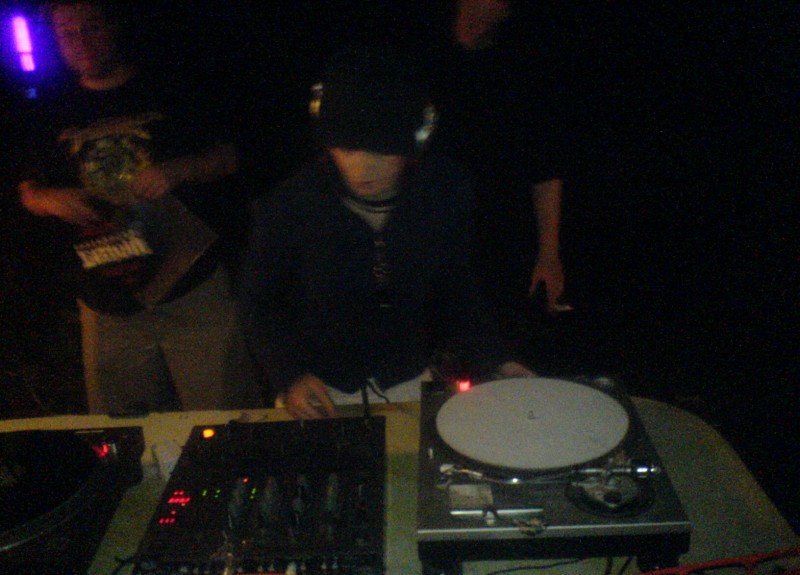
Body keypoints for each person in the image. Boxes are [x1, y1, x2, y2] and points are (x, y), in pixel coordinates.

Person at [239, 47, 534, 420]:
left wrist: (497, 358)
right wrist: (289, 374)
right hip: (317, 385)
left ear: (413, 146)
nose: (364, 167)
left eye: (382, 150)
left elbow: (458, 290)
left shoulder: (442, 194)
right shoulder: (290, 206)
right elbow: (260, 303)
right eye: (348, 149)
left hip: (407, 377)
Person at [17, 0, 261, 414]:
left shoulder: (170, 88)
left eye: (91, 27)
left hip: (191, 287)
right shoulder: (50, 107)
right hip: (107, 300)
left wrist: (180, 169)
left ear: (114, 26)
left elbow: (231, 158)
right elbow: (28, 191)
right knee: (122, 431)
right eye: (68, 33)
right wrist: (52, 200)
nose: (81, 42)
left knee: (225, 417)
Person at [423, 0, 569, 334]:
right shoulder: (423, 52)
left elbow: (544, 165)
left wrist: (549, 254)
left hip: (497, 240)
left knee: (493, 339)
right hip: (423, 231)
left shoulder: (520, 66)